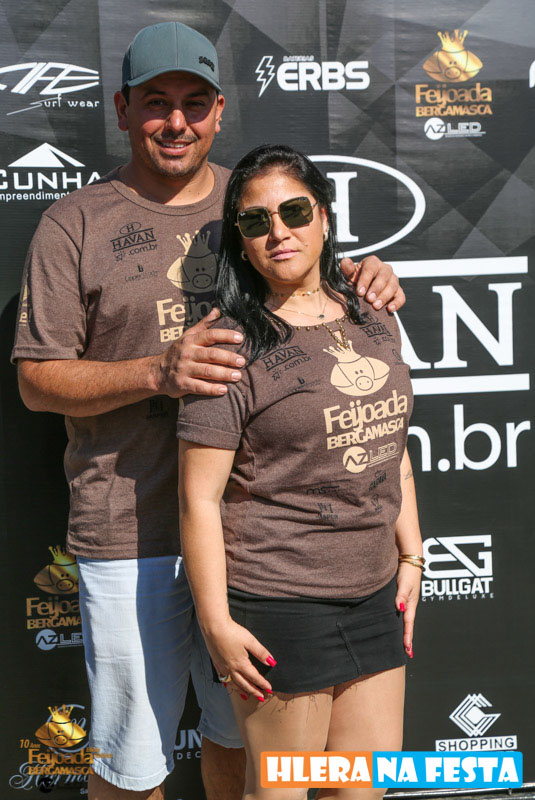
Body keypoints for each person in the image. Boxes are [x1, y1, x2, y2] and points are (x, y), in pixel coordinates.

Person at [12, 21, 406, 800]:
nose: (176, 121)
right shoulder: (75, 223)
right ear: (122, 109)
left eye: (194, 102)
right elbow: (36, 380)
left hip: (255, 551)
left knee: (241, 747)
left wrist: (368, 277)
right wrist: (157, 370)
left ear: (220, 112)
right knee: (132, 766)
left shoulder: (254, 204)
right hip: (132, 534)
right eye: (155, 102)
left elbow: (314, 289)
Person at [177, 144, 424, 800]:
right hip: (280, 605)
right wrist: (217, 625)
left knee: (360, 789)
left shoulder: (374, 315)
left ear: (323, 216)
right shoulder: (229, 346)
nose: (278, 232)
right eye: (255, 221)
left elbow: (388, 442)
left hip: (373, 594)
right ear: (240, 239)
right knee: (282, 792)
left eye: (293, 211)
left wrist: (412, 554)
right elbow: (198, 500)